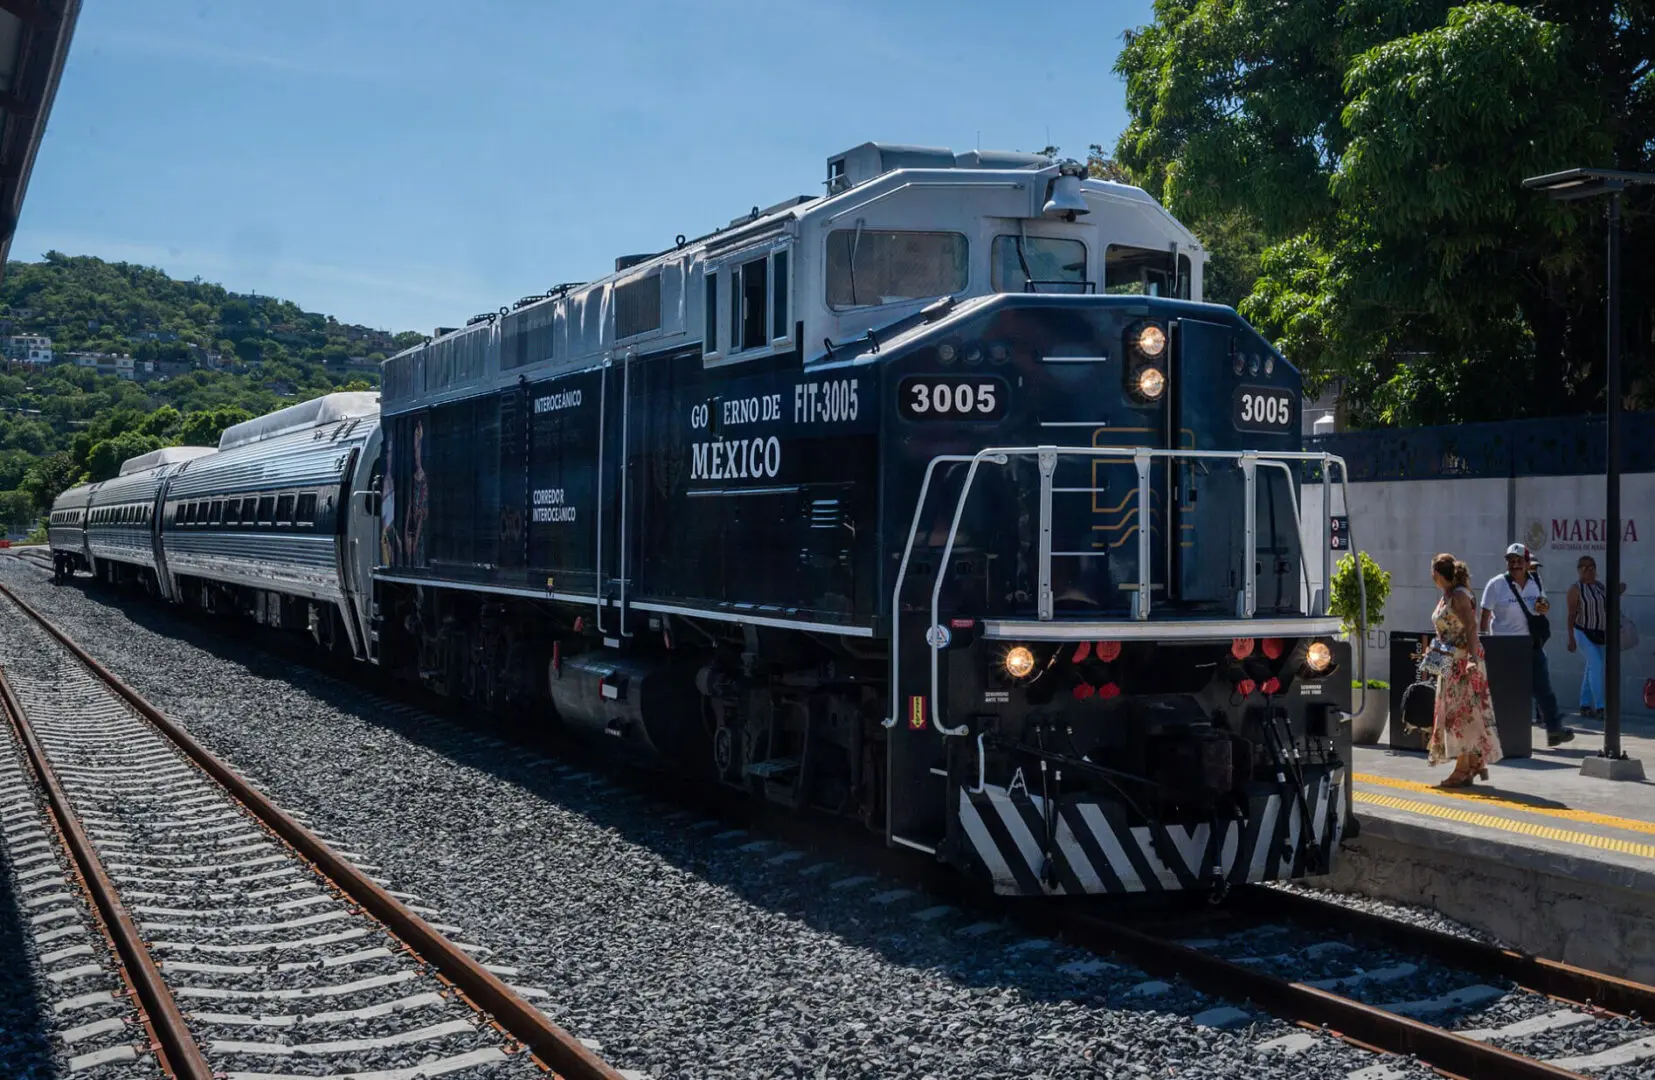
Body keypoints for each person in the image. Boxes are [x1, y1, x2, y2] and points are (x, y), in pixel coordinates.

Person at [1481, 543, 1573, 747]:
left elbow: (1543, 605)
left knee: (1544, 689)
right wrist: (1484, 642)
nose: (1515, 565)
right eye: (1511, 561)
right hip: (1504, 645)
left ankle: (1554, 729)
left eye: (1519, 561)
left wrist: (1544, 607)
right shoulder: (1496, 584)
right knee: (1505, 691)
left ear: (1526, 562)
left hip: (1530, 644)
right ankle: (1498, 733)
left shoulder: (1535, 582)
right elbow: (1485, 615)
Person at [1430, 553, 1504, 786]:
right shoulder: (1448, 595)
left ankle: (1462, 768)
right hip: (1449, 661)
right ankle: (1472, 764)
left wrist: (1472, 659)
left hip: (1462, 662)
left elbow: (1471, 627)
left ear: (1438, 574)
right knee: (1463, 714)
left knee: (1461, 715)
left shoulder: (1459, 595)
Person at [1566, 555, 1626, 719]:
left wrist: (1617, 592)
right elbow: (1571, 615)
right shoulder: (1575, 589)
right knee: (1597, 666)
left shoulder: (1600, 586)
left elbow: (1607, 604)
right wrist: (1570, 638)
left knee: (1591, 668)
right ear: (1579, 570)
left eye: (1591, 567)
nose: (1588, 571)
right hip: (1583, 632)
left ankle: (1584, 704)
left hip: (1600, 633)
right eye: (1584, 567)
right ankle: (1601, 707)